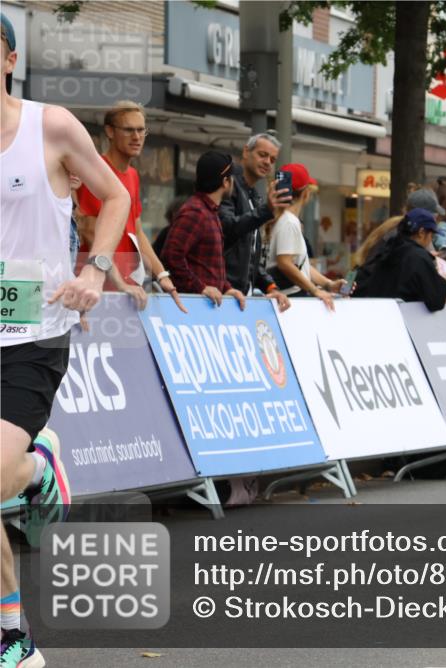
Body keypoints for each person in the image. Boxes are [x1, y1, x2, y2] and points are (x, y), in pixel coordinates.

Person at [1, 13, 131, 666]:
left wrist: (94, 269)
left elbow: (113, 198)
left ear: (8, 59)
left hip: (34, 335)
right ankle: (11, 638)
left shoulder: (47, 126)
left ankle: (39, 468)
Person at [74, 100, 186, 313]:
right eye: (128, 130)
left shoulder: (133, 175)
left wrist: (162, 275)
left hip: (126, 291)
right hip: (94, 291)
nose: (136, 137)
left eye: (141, 130)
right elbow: (89, 231)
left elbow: (137, 231)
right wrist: (119, 284)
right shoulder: (97, 170)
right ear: (109, 131)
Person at [160, 151, 247, 310]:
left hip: (204, 308)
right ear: (225, 182)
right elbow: (171, 256)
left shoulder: (208, 211)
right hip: (193, 308)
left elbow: (209, 265)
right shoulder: (196, 212)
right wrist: (200, 287)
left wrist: (227, 288)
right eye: (232, 178)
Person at [219, 132, 292, 313]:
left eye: (272, 159)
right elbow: (227, 228)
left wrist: (271, 287)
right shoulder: (229, 185)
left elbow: (251, 256)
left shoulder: (254, 195)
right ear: (246, 152)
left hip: (242, 296)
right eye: (262, 155)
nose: (268, 162)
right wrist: (265, 211)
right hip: (223, 293)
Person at [264, 164, 342, 311]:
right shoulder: (289, 221)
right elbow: (285, 263)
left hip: (284, 298)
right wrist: (315, 290)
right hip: (290, 299)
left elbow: (301, 265)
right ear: (306, 194)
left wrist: (328, 284)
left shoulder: (280, 218)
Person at [353, 208, 446, 311]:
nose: (431, 240)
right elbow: (436, 301)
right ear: (421, 232)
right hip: (404, 321)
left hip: (378, 315)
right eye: (431, 235)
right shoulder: (418, 257)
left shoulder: (388, 249)